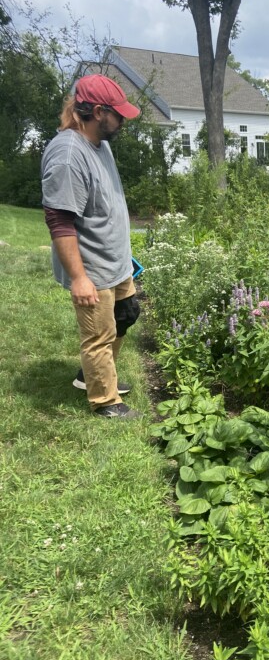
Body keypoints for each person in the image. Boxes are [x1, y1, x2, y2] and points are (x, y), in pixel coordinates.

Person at [42, 73, 142, 419]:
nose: (123, 121)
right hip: (92, 267)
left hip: (115, 260)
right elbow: (60, 221)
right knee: (98, 335)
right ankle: (105, 402)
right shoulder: (69, 155)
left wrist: (124, 253)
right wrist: (80, 278)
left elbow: (105, 206)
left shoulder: (101, 145)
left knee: (127, 315)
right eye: (119, 114)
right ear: (99, 111)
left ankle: (92, 375)